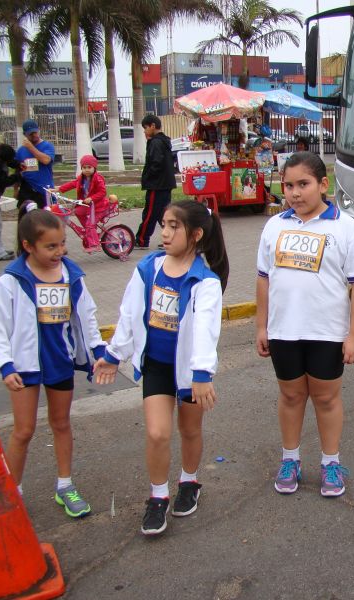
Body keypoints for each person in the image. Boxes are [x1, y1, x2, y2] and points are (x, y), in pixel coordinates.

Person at [94, 200, 228, 536]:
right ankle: (157, 497)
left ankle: (189, 481)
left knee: (190, 430)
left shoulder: (205, 281)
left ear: (195, 234)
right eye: (163, 225)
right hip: (156, 365)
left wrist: (202, 374)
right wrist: (114, 354)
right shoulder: (148, 268)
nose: (165, 233)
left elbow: (206, 329)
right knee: (157, 433)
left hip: (190, 373)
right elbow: (129, 314)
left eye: (173, 226)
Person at [256, 151, 354, 498]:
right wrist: (261, 327)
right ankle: (290, 459)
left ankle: (330, 463)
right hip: (283, 331)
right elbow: (263, 279)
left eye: (303, 184)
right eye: (288, 185)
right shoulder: (275, 226)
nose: (294, 193)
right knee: (291, 396)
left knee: (326, 398)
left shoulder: (345, 228)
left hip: (327, 332)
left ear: (323, 184)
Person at [0, 209, 106, 517]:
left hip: (59, 361)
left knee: (61, 423)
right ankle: (12, 492)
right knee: (23, 430)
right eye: (51, 246)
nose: (60, 251)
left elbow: (87, 315)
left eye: (62, 243)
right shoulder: (12, 280)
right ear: (28, 246)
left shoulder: (71, 275)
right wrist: (5, 365)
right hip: (24, 367)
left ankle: (65, 486)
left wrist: (97, 348)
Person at [51, 154, 112, 252]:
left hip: (98, 207)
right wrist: (59, 189)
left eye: (89, 167)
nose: (86, 170)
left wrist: (91, 198)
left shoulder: (98, 178)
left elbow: (102, 192)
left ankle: (95, 245)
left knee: (90, 224)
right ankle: (89, 231)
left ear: (94, 168)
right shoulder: (81, 178)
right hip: (87, 205)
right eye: (84, 167)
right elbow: (73, 184)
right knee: (78, 211)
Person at [136, 114, 176, 249]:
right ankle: (173, 238)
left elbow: (156, 163)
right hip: (165, 183)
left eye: (145, 128)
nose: (144, 131)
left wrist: (148, 177)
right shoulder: (164, 141)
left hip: (157, 184)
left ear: (153, 126)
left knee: (150, 213)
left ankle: (142, 240)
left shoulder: (156, 142)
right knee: (163, 214)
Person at [15, 119, 55, 216]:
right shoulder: (21, 151)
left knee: (44, 218)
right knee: (25, 218)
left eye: (35, 132)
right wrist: (16, 189)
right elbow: (17, 170)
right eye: (30, 134)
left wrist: (31, 147)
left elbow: (46, 160)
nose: (34, 135)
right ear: (25, 134)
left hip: (43, 189)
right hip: (27, 189)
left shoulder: (47, 146)